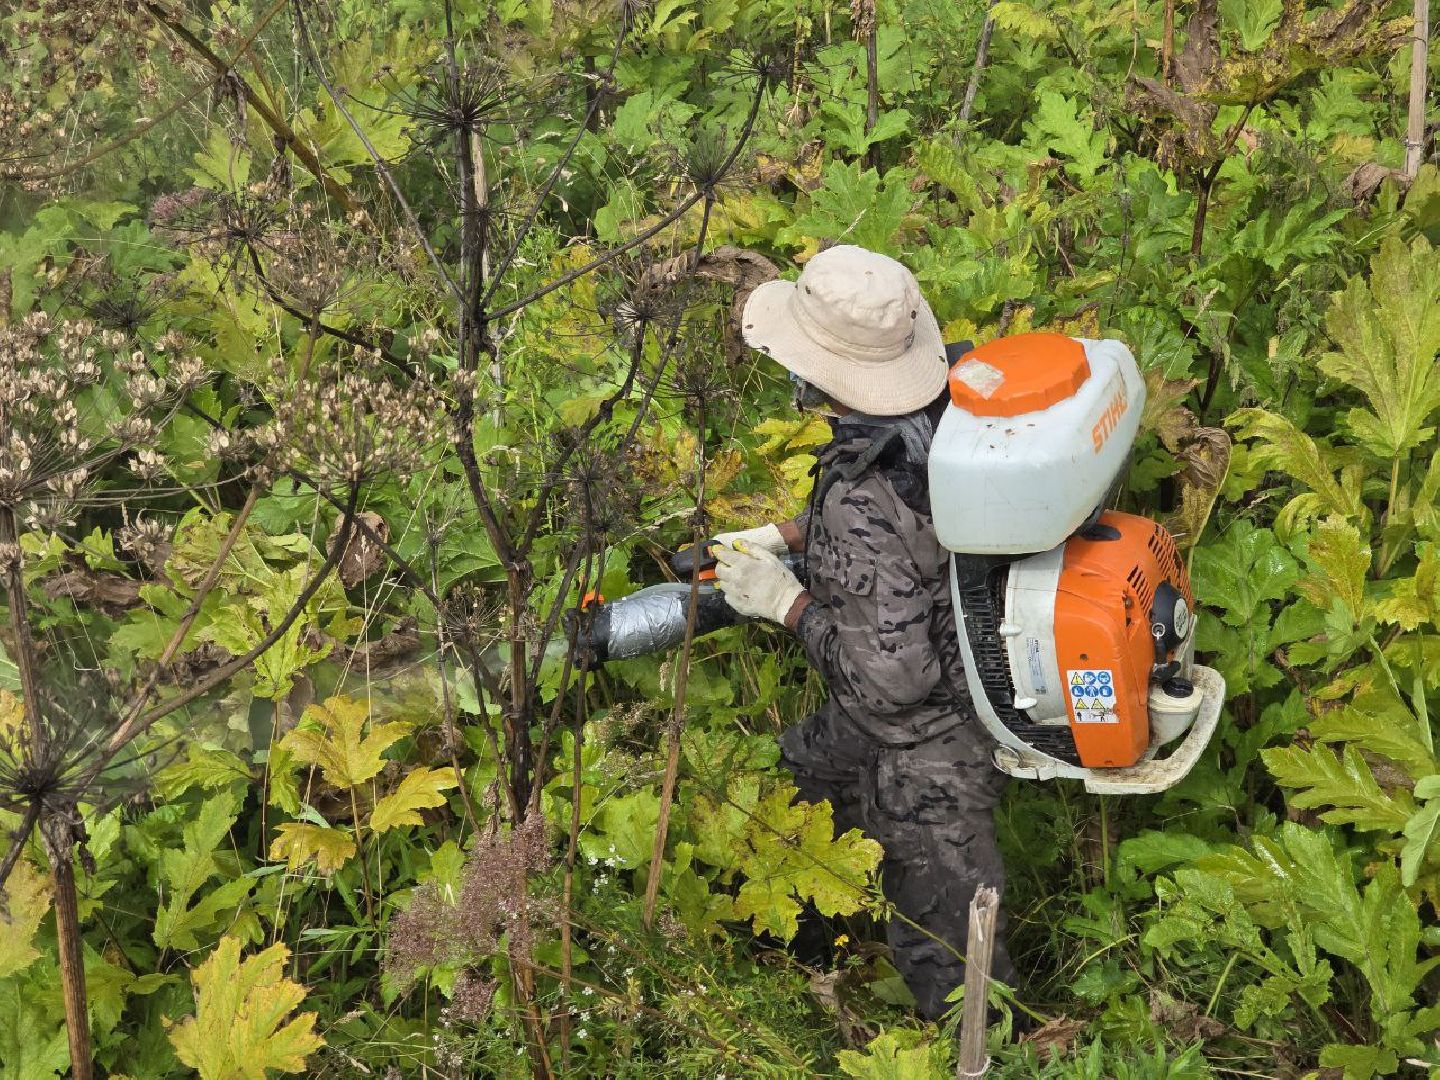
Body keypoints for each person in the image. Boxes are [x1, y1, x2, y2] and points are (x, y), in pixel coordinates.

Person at [711, 244, 1010, 1020]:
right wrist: (787, 535)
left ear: (819, 373)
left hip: (933, 737)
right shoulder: (952, 404)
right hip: (973, 656)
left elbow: (891, 683)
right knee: (798, 783)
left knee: (959, 975)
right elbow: (902, 524)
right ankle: (816, 943)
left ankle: (986, 1052)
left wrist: (786, 606)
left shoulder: (866, 489)